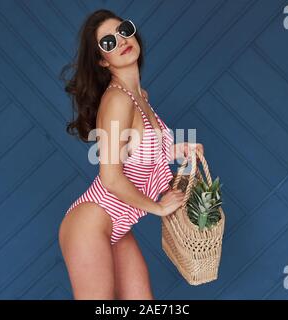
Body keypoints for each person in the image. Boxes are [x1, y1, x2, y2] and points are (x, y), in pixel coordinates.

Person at [58, 9, 204, 300]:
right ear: (102, 60)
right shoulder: (116, 101)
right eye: (108, 43)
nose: (121, 40)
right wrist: (158, 207)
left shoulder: (140, 96)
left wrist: (177, 149)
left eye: (123, 30)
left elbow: (140, 151)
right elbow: (110, 177)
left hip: (118, 225)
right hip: (90, 224)